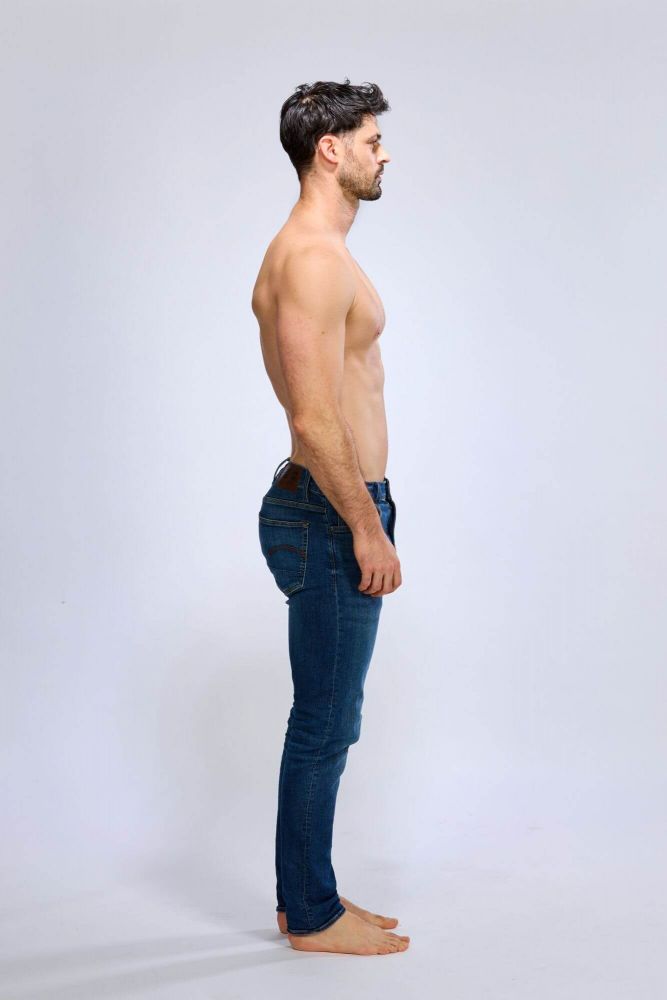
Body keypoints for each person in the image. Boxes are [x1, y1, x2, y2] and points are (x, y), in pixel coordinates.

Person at [251, 79, 409, 956]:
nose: (383, 154)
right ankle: (310, 914)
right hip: (330, 508)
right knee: (323, 721)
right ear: (330, 149)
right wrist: (366, 526)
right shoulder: (310, 258)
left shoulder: (318, 251)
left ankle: (306, 891)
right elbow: (314, 418)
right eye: (372, 140)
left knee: (329, 718)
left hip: (331, 503)